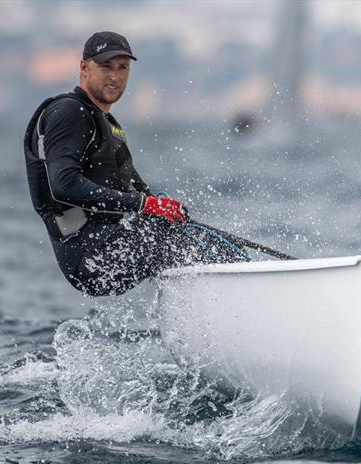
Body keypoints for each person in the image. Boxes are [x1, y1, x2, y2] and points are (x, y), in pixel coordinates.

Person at [24, 31, 241, 296]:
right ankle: (240, 304)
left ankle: (233, 302)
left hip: (108, 242)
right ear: (84, 67)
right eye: (106, 67)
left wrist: (164, 209)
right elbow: (63, 185)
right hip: (88, 258)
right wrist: (146, 205)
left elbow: (139, 192)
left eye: (122, 68)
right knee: (176, 243)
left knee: (200, 239)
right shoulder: (68, 111)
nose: (115, 77)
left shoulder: (107, 125)